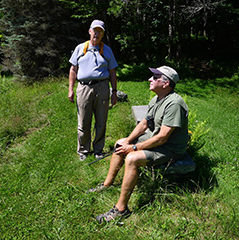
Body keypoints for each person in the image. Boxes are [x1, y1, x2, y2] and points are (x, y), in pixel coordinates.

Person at [88, 66, 189, 223]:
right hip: (156, 141)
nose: (150, 79)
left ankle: (121, 209)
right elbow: (144, 123)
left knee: (132, 159)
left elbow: (162, 138)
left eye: (155, 77)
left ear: (165, 83)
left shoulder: (174, 104)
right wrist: (128, 141)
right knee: (120, 143)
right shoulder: (157, 99)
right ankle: (107, 184)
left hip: (170, 149)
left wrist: (133, 148)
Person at [68, 20, 118, 161]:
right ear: (89, 31)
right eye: (94, 30)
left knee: (101, 121)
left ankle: (98, 149)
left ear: (103, 34)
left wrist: (114, 92)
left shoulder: (107, 50)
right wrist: (70, 89)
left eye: (100, 31)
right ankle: (83, 150)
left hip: (102, 87)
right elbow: (73, 69)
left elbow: (112, 72)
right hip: (83, 88)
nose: (97, 33)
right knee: (83, 121)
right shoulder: (80, 48)